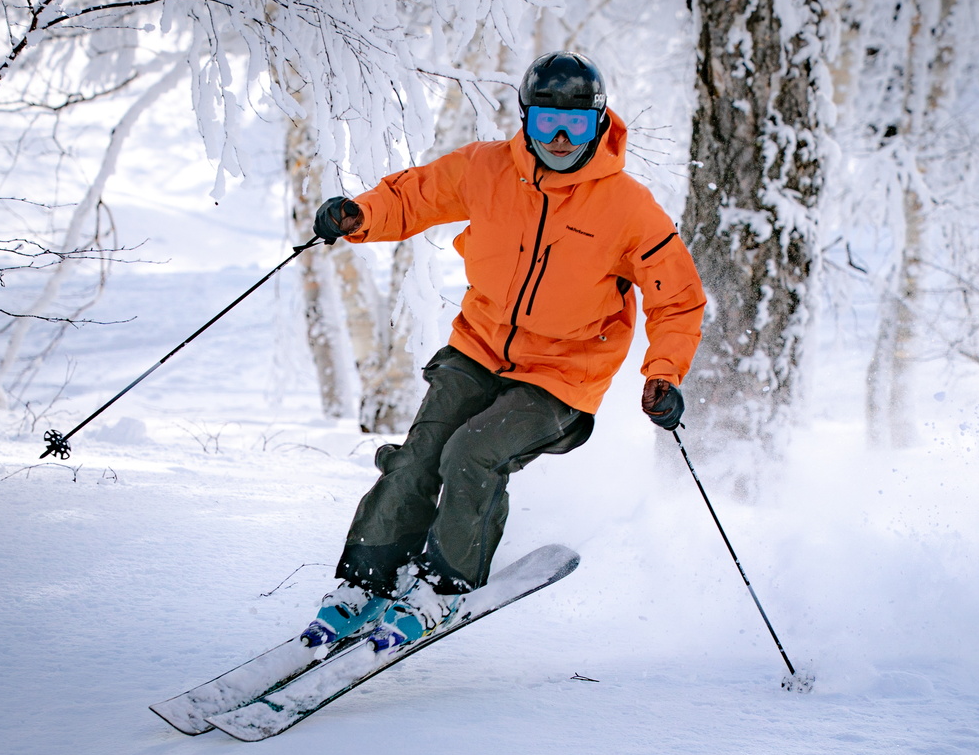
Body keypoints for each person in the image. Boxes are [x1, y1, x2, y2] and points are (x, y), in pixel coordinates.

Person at [300, 51, 707, 652]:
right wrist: (360, 216)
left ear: (601, 122)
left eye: (576, 124)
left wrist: (664, 374)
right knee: (419, 457)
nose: (561, 138)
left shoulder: (628, 208)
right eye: (546, 123)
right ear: (525, 119)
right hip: (479, 347)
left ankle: (444, 588)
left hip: (563, 378)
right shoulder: (486, 169)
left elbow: (676, 300)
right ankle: (364, 582)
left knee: (471, 452)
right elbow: (413, 198)